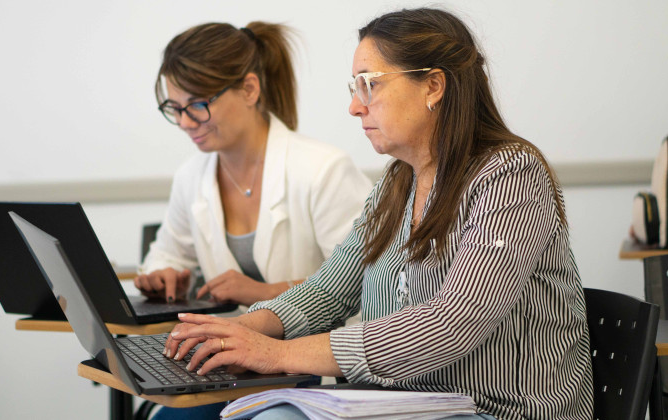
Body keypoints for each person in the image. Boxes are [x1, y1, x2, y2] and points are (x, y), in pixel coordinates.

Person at [166, 8, 594, 420]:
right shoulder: (397, 183)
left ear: (433, 86)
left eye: (369, 85)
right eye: (353, 88)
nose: (355, 106)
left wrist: (277, 353)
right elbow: (327, 293)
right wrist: (242, 332)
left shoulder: (510, 173)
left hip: (495, 410)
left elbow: (454, 322)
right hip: (404, 403)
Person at [136, 20, 372, 420]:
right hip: (229, 368)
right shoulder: (192, 176)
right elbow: (166, 253)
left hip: (307, 372)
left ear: (249, 89)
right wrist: (163, 273)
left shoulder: (322, 169)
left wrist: (261, 291)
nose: (185, 122)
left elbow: (367, 288)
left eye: (197, 105)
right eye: (174, 108)